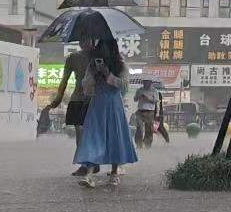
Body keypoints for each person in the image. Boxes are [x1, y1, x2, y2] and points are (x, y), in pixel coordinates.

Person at [71, 38, 139, 188]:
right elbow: (86, 87)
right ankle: (89, 174)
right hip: (97, 106)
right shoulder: (92, 65)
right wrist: (94, 74)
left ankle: (114, 173)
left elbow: (124, 88)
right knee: (92, 138)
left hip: (114, 106)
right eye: (100, 50)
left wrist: (108, 74)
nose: (103, 53)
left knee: (115, 138)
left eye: (106, 50)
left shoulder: (121, 66)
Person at [44, 38, 94, 176]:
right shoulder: (73, 57)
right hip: (79, 98)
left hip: (94, 99)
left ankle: (90, 163)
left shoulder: (99, 56)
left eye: (89, 37)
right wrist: (58, 99)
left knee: (88, 132)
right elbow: (64, 79)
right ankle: (86, 163)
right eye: (84, 37)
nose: (86, 41)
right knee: (80, 131)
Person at [133, 79, 160, 149]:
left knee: (149, 129)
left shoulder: (155, 91)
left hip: (150, 112)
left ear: (151, 82)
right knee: (139, 128)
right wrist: (138, 96)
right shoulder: (139, 90)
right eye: (144, 82)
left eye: (147, 82)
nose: (146, 83)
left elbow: (156, 100)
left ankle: (147, 144)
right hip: (140, 111)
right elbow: (135, 99)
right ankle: (139, 144)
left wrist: (148, 98)